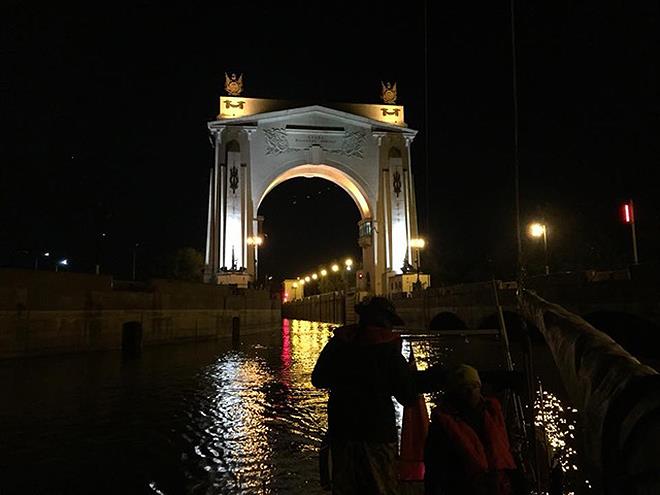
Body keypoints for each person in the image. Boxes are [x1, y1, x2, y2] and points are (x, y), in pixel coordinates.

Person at [312, 296, 417, 495]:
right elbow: (408, 396)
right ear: (384, 321)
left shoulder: (339, 344)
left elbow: (318, 379)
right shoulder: (388, 351)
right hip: (377, 436)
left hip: (342, 434)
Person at [424, 364, 519, 495]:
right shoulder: (442, 424)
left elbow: (508, 450)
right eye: (464, 388)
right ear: (454, 392)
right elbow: (435, 466)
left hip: (499, 485)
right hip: (465, 487)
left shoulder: (494, 414)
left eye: (474, 386)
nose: (470, 391)